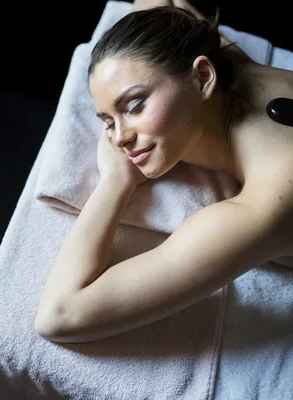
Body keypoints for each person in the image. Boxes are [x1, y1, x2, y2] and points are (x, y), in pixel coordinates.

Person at [34, 0, 292, 343]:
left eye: (136, 106)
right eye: (108, 122)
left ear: (203, 77)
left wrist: (115, 181)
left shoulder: (267, 203)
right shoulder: (228, 62)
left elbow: (59, 316)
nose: (120, 138)